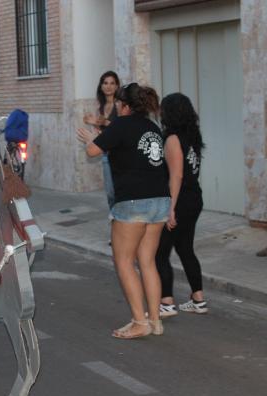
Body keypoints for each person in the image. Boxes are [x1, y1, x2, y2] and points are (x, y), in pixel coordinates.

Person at [77, 83, 168, 339]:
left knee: (124, 262)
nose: (116, 106)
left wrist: (91, 138)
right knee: (148, 262)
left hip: (133, 203)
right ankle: (154, 320)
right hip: (159, 200)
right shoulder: (152, 127)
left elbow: (93, 151)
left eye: (118, 103)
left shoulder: (121, 124)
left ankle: (140, 322)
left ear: (125, 105)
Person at [155, 93, 208, 317]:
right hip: (194, 197)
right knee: (185, 248)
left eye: (163, 109)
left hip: (180, 201)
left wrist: (171, 209)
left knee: (160, 253)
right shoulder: (192, 135)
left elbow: (175, 177)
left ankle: (166, 302)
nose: (160, 113)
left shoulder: (173, 139)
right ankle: (198, 299)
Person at [84, 71, 121, 210]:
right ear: (101, 86)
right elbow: (104, 133)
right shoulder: (101, 107)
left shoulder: (120, 106)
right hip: (106, 153)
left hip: (120, 153)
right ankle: (115, 221)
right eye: (105, 83)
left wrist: (105, 122)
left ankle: (121, 223)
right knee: (110, 192)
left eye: (112, 83)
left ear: (117, 86)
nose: (108, 86)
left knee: (119, 190)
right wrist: (94, 124)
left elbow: (123, 128)